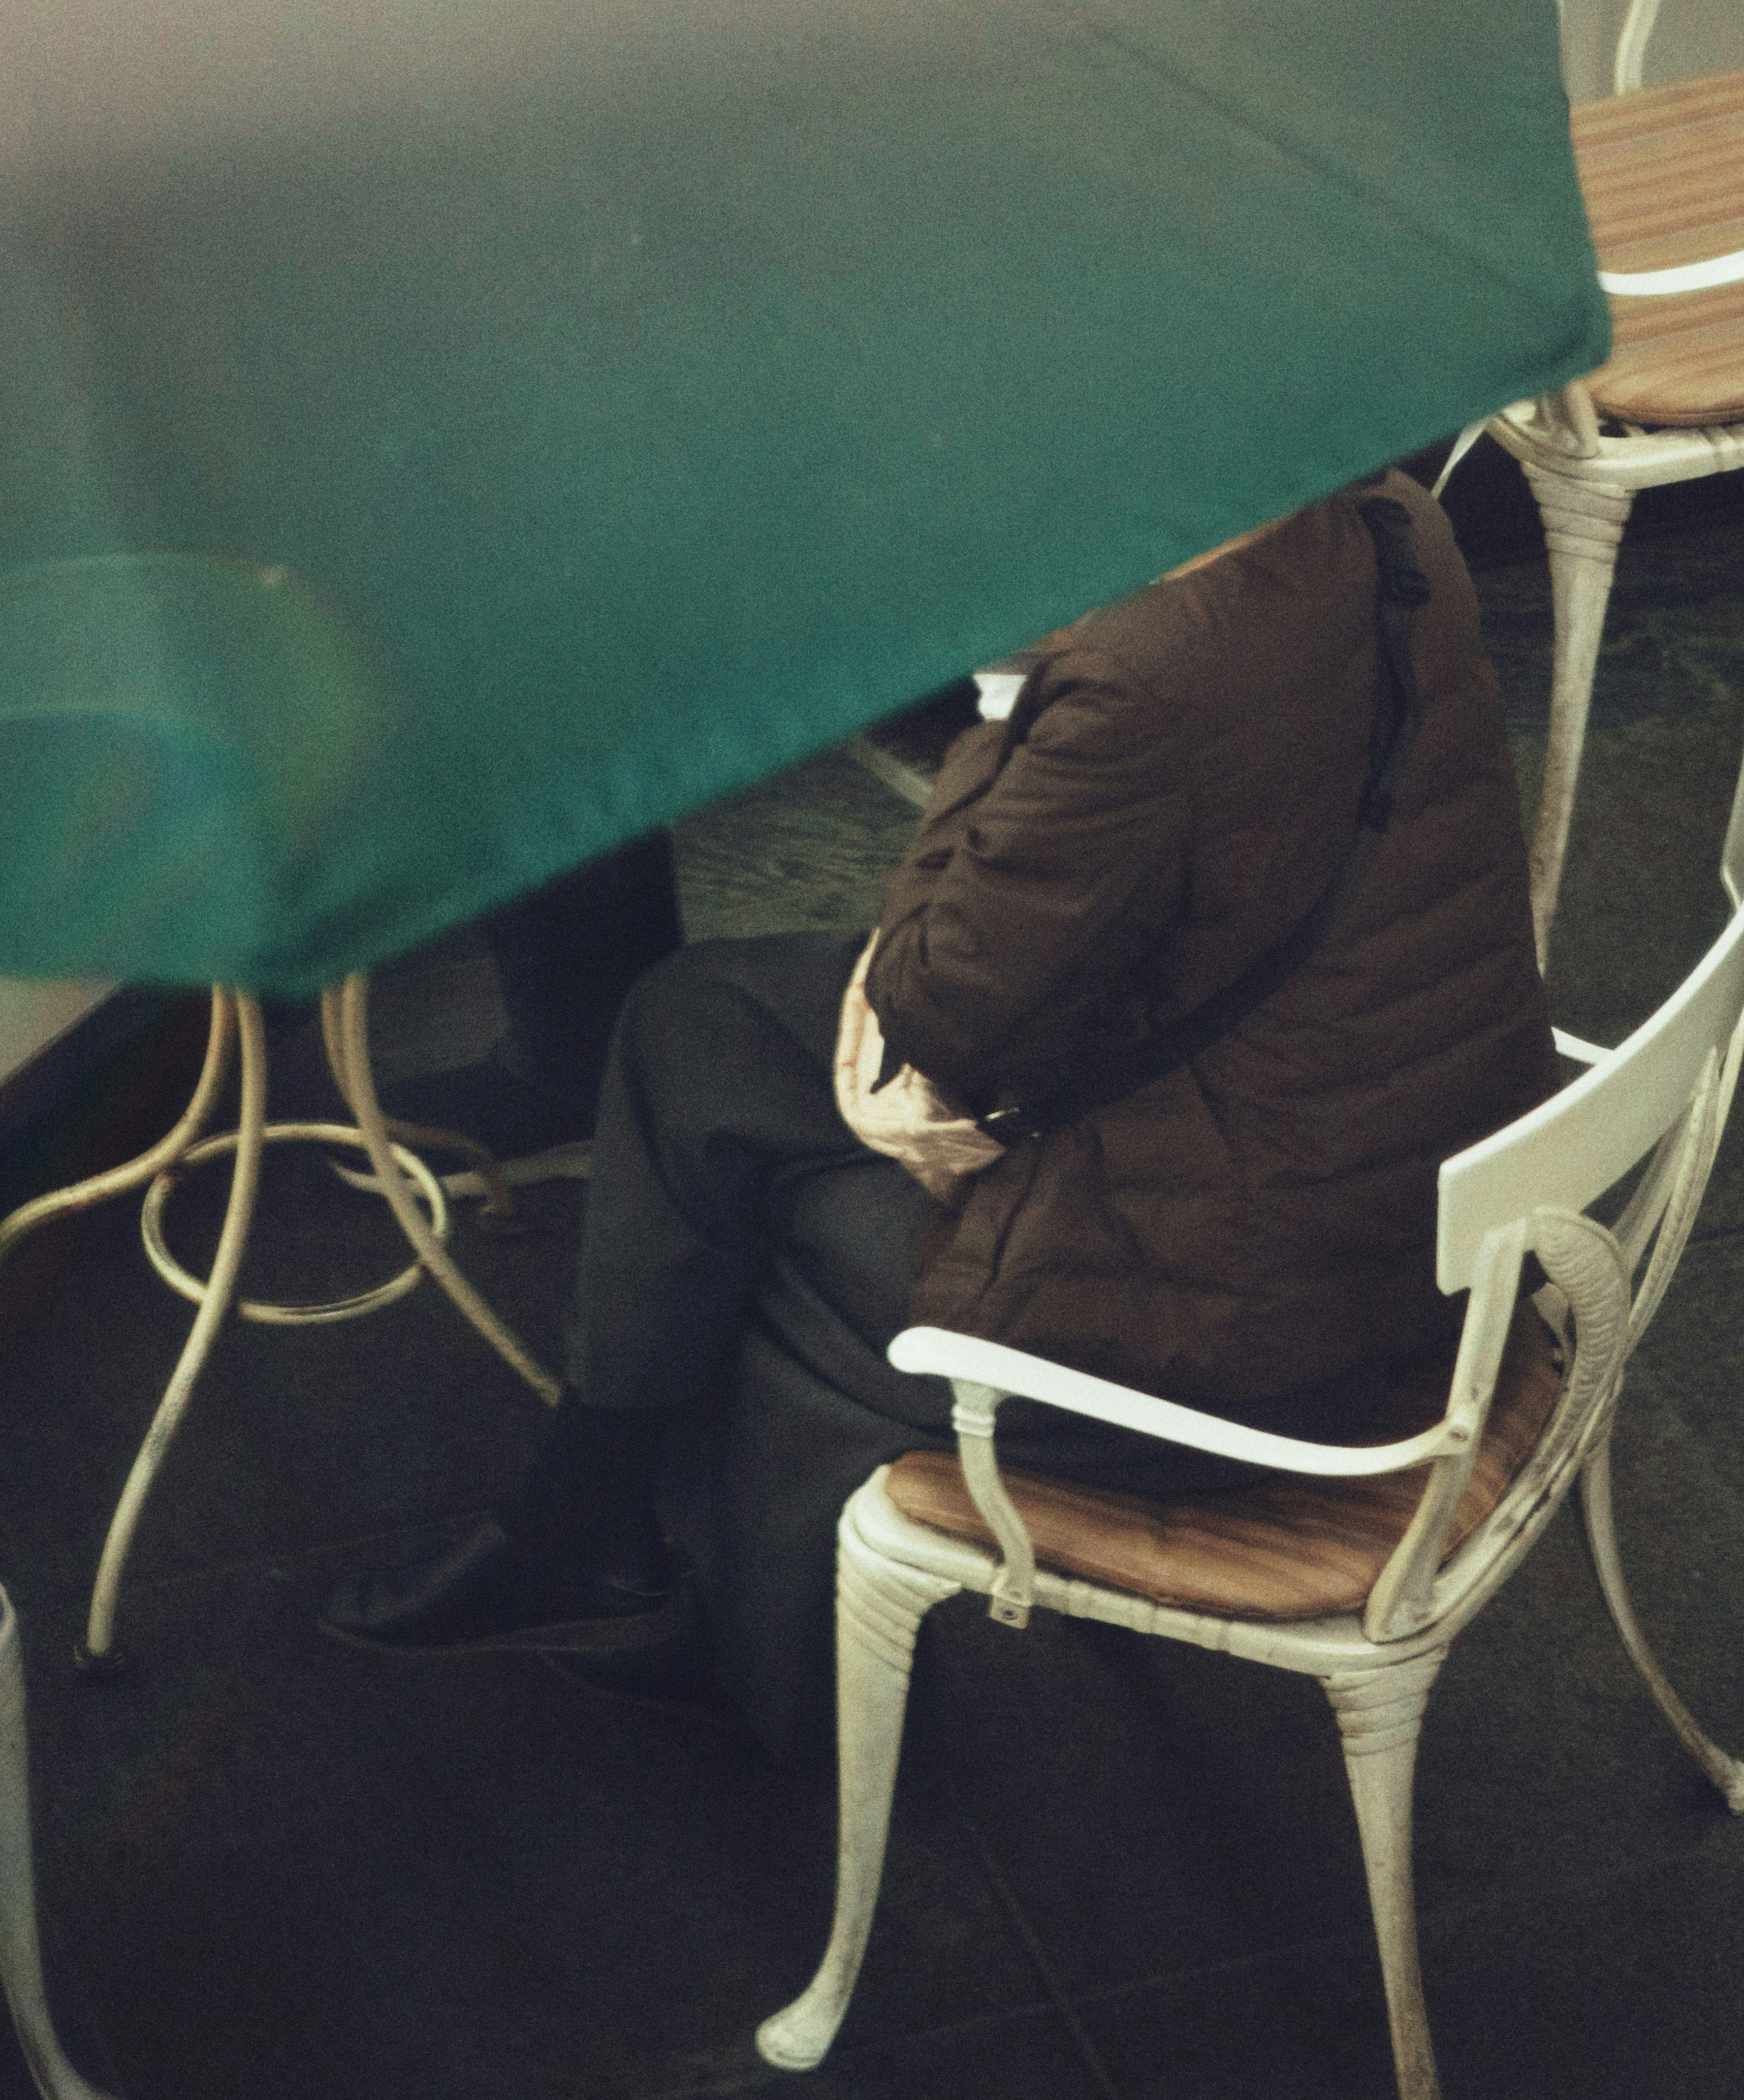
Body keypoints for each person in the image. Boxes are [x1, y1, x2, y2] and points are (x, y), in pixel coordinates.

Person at [324, 470, 1555, 1733]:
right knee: (695, 1022)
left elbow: (932, 1002)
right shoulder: (1390, 519)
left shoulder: (1143, 676)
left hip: (1237, 1325)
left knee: (773, 1224)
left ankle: (745, 1651)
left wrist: (1016, 681)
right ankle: (586, 1510)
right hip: (1386, 1174)